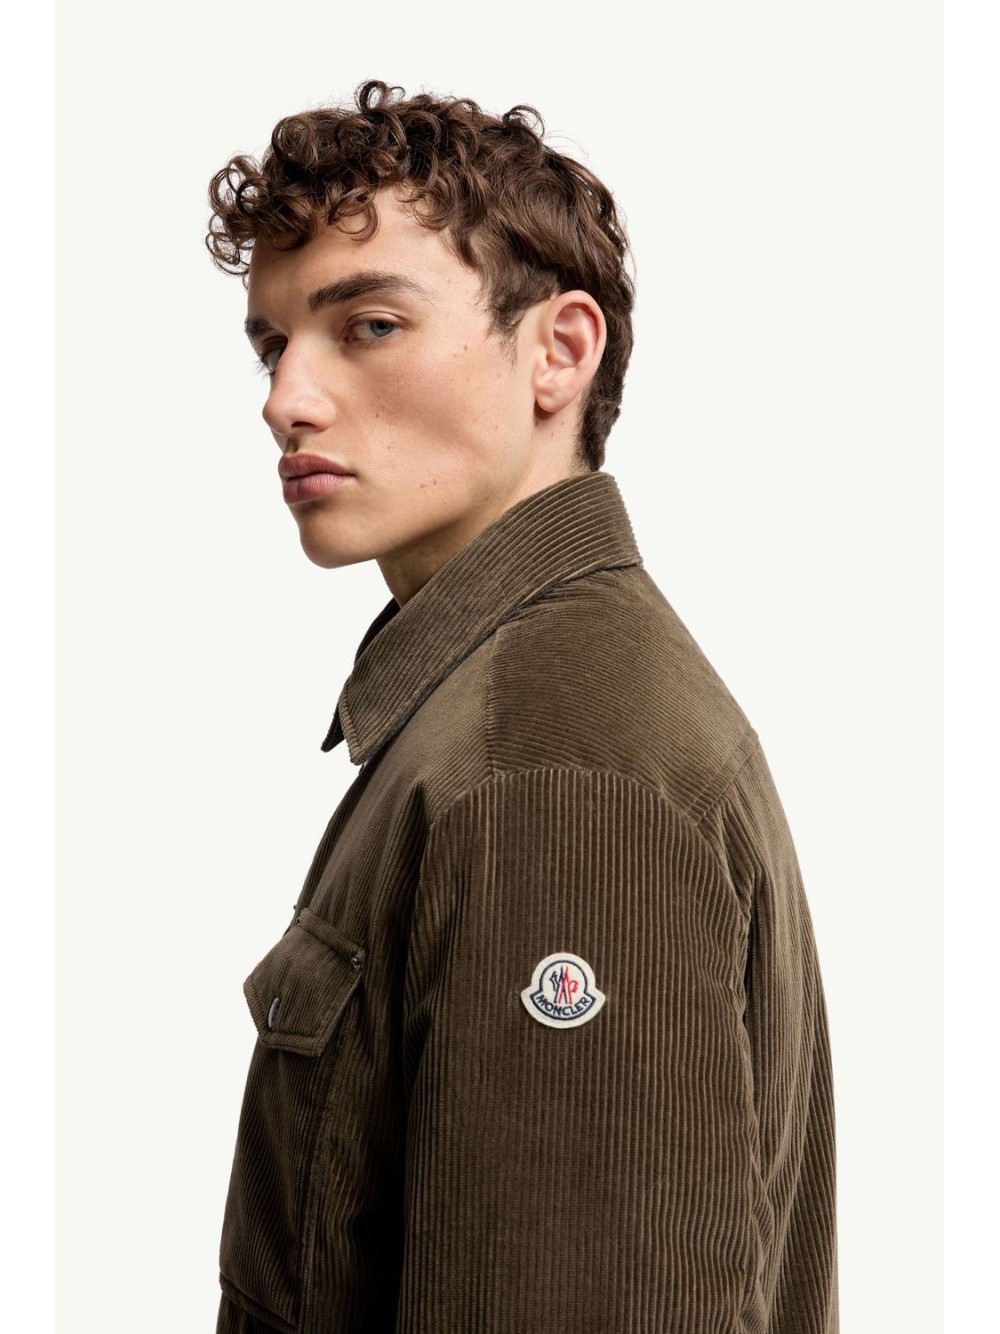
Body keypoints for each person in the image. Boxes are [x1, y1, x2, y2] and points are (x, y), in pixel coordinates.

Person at [205, 79, 838, 1334]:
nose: (286, 398)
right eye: (274, 345)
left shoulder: (547, 769)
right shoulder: (492, 710)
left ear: (558, 351)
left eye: (368, 325)